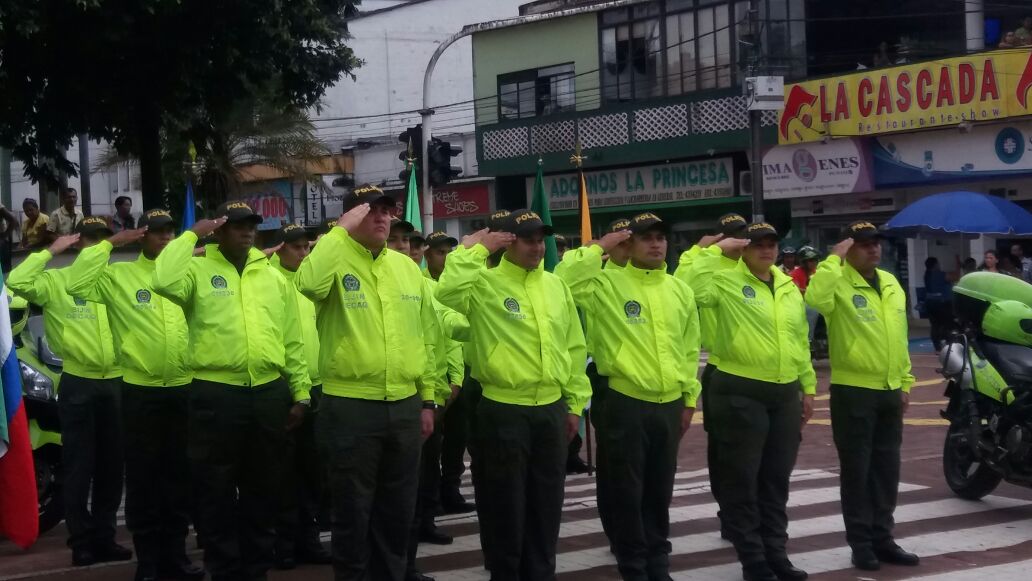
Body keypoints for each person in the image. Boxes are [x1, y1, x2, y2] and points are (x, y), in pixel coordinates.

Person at [153, 201, 312, 581]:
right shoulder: (196, 269)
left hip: (268, 393)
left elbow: (291, 339)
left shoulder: (271, 277)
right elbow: (162, 280)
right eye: (238, 225)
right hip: (216, 394)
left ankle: (256, 569)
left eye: (252, 225)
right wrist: (191, 234)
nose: (247, 231)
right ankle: (223, 569)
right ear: (219, 231)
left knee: (264, 488)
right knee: (215, 489)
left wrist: (301, 392)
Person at [295, 185, 441, 581]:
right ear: (350, 218)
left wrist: (427, 400)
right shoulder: (333, 258)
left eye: (386, 210)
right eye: (371, 211)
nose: (382, 217)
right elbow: (307, 283)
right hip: (351, 406)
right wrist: (337, 233)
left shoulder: (406, 267)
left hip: (405, 406)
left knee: (397, 513)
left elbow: (424, 336)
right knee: (352, 514)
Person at [436, 209, 592, 581]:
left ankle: (541, 571)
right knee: (504, 502)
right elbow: (447, 292)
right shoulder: (484, 283)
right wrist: (475, 250)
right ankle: (505, 572)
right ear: (507, 243)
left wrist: (573, 403)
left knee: (546, 502)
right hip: (503, 409)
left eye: (541, 240)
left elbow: (572, 346)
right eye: (528, 239)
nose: (537, 247)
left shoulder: (555, 286)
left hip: (551, 409)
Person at [557, 212, 700, 581]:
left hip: (668, 403)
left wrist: (688, 398)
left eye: (661, 237)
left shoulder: (678, 290)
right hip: (625, 401)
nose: (656, 244)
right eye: (645, 238)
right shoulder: (605, 285)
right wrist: (602, 246)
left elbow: (688, 348)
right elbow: (565, 278)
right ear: (628, 244)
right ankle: (633, 560)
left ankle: (658, 556)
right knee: (625, 487)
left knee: (659, 486)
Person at [64, 210, 204, 581]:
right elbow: (76, 285)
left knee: (178, 478)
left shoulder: (186, 274)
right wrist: (110, 244)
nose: (164, 237)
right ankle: (149, 562)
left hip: (182, 388)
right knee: (143, 480)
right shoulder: (120, 275)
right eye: (156, 232)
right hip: (139, 392)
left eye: (169, 231)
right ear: (141, 236)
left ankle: (176, 557)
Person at [687, 222, 815, 581]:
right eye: (757, 244)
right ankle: (753, 560)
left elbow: (798, 339)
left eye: (772, 244)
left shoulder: (788, 285)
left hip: (784, 391)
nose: (766, 250)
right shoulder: (725, 279)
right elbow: (689, 288)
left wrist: (808, 387)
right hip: (739, 391)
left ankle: (777, 553)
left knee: (776, 480)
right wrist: (713, 251)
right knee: (742, 480)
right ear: (743, 248)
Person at [8, 217, 128, 567]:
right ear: (78, 243)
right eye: (90, 240)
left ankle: (105, 536)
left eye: (103, 239)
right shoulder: (58, 281)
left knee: (111, 467)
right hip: (77, 381)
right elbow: (17, 280)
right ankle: (81, 541)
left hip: (117, 381)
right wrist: (49, 252)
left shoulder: (116, 280)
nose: (97, 246)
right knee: (79, 465)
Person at [805, 221, 919, 572]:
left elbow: (899, 338)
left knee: (886, 470)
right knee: (857, 471)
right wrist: (832, 261)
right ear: (849, 249)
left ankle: (883, 538)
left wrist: (904, 383)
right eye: (864, 244)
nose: (873, 249)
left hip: (888, 390)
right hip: (853, 391)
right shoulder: (837, 281)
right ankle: (861, 544)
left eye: (876, 244)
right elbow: (814, 299)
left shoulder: (890, 283)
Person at [673, 212, 749, 539]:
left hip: (761, 370)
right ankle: (731, 514)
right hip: (721, 365)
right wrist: (702, 253)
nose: (739, 242)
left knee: (759, 453)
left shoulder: (755, 269)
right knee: (726, 449)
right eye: (732, 236)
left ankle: (754, 513)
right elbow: (683, 289)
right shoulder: (707, 267)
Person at [269, 224, 333, 570]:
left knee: (314, 472)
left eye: (306, 247)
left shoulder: (315, 280)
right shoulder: (268, 279)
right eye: (295, 248)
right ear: (279, 249)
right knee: (283, 474)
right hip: (283, 388)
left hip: (319, 385)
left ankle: (308, 540)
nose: (303, 254)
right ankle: (283, 543)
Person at [923, 257, 954, 352]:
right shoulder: (938, 274)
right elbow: (955, 276)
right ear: (935, 265)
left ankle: (937, 345)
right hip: (940, 303)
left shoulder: (927, 275)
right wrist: (957, 263)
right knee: (946, 324)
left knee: (935, 325)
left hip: (930, 303)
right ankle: (947, 343)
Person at [792, 246, 821, 344]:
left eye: (815, 260)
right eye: (810, 260)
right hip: (802, 304)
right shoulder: (796, 273)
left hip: (819, 302)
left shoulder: (818, 272)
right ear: (804, 262)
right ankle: (809, 340)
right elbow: (795, 290)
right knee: (811, 308)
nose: (814, 263)